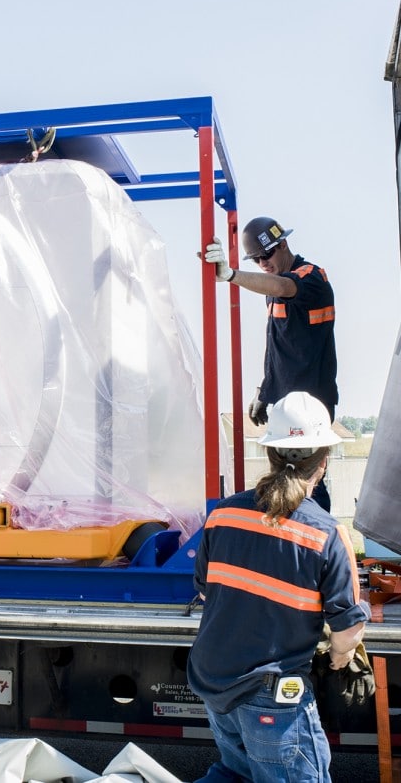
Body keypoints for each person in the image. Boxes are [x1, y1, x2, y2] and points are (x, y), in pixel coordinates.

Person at [187, 391, 369, 783]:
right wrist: (337, 660)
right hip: (271, 697)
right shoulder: (326, 534)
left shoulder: (222, 516)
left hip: (215, 681)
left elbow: (206, 591)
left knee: (236, 773)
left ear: (269, 453)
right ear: (322, 463)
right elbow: (349, 630)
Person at [203, 216, 337, 511]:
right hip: (284, 402)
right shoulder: (271, 289)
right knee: (285, 476)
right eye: (256, 259)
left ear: (284, 244)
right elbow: (278, 347)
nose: (263, 262)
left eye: (267, 254)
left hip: (312, 403)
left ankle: (319, 544)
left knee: (310, 478)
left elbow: (284, 287)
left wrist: (230, 275)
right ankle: (288, 544)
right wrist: (264, 391)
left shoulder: (312, 277)